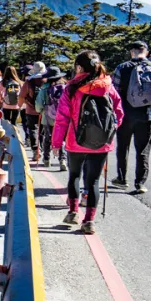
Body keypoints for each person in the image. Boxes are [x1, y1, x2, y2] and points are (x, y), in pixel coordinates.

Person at [52, 50, 124, 233]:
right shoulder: (108, 86)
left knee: (74, 176)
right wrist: (109, 132)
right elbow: (119, 113)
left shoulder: (72, 88)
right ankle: (89, 221)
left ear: (78, 67)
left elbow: (62, 119)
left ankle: (73, 213)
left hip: (76, 141)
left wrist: (55, 143)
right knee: (93, 181)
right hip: (102, 144)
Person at [110, 40, 151, 194]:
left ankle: (122, 179)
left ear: (132, 52)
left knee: (123, 147)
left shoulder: (122, 68)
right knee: (143, 149)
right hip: (147, 115)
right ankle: (140, 183)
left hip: (125, 115)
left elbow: (114, 94)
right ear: (147, 52)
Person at [35, 66, 67, 171]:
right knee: (61, 138)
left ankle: (46, 159)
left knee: (47, 138)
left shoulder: (44, 88)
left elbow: (39, 104)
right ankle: (62, 159)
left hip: (48, 117)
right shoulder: (65, 87)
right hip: (63, 117)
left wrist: (40, 110)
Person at [18, 61, 47, 161]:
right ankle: (42, 148)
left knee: (33, 129)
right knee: (42, 130)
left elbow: (22, 96)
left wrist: (19, 107)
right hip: (44, 110)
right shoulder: (46, 80)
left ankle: (35, 150)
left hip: (31, 109)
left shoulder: (29, 81)